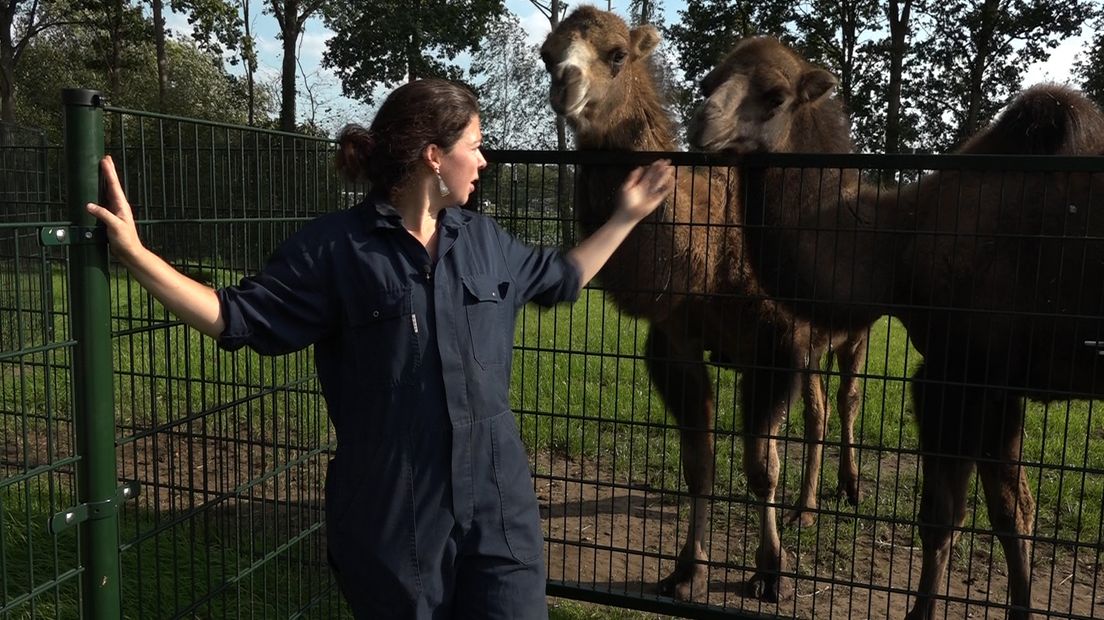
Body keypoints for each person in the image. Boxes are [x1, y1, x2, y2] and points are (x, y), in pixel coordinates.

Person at [87, 78, 674, 619]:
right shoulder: (336, 250)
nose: (484, 159)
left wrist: (626, 215)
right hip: (395, 512)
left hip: (499, 502)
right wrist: (138, 256)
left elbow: (564, 274)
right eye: (476, 143)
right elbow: (236, 318)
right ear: (434, 156)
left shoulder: (486, 242)